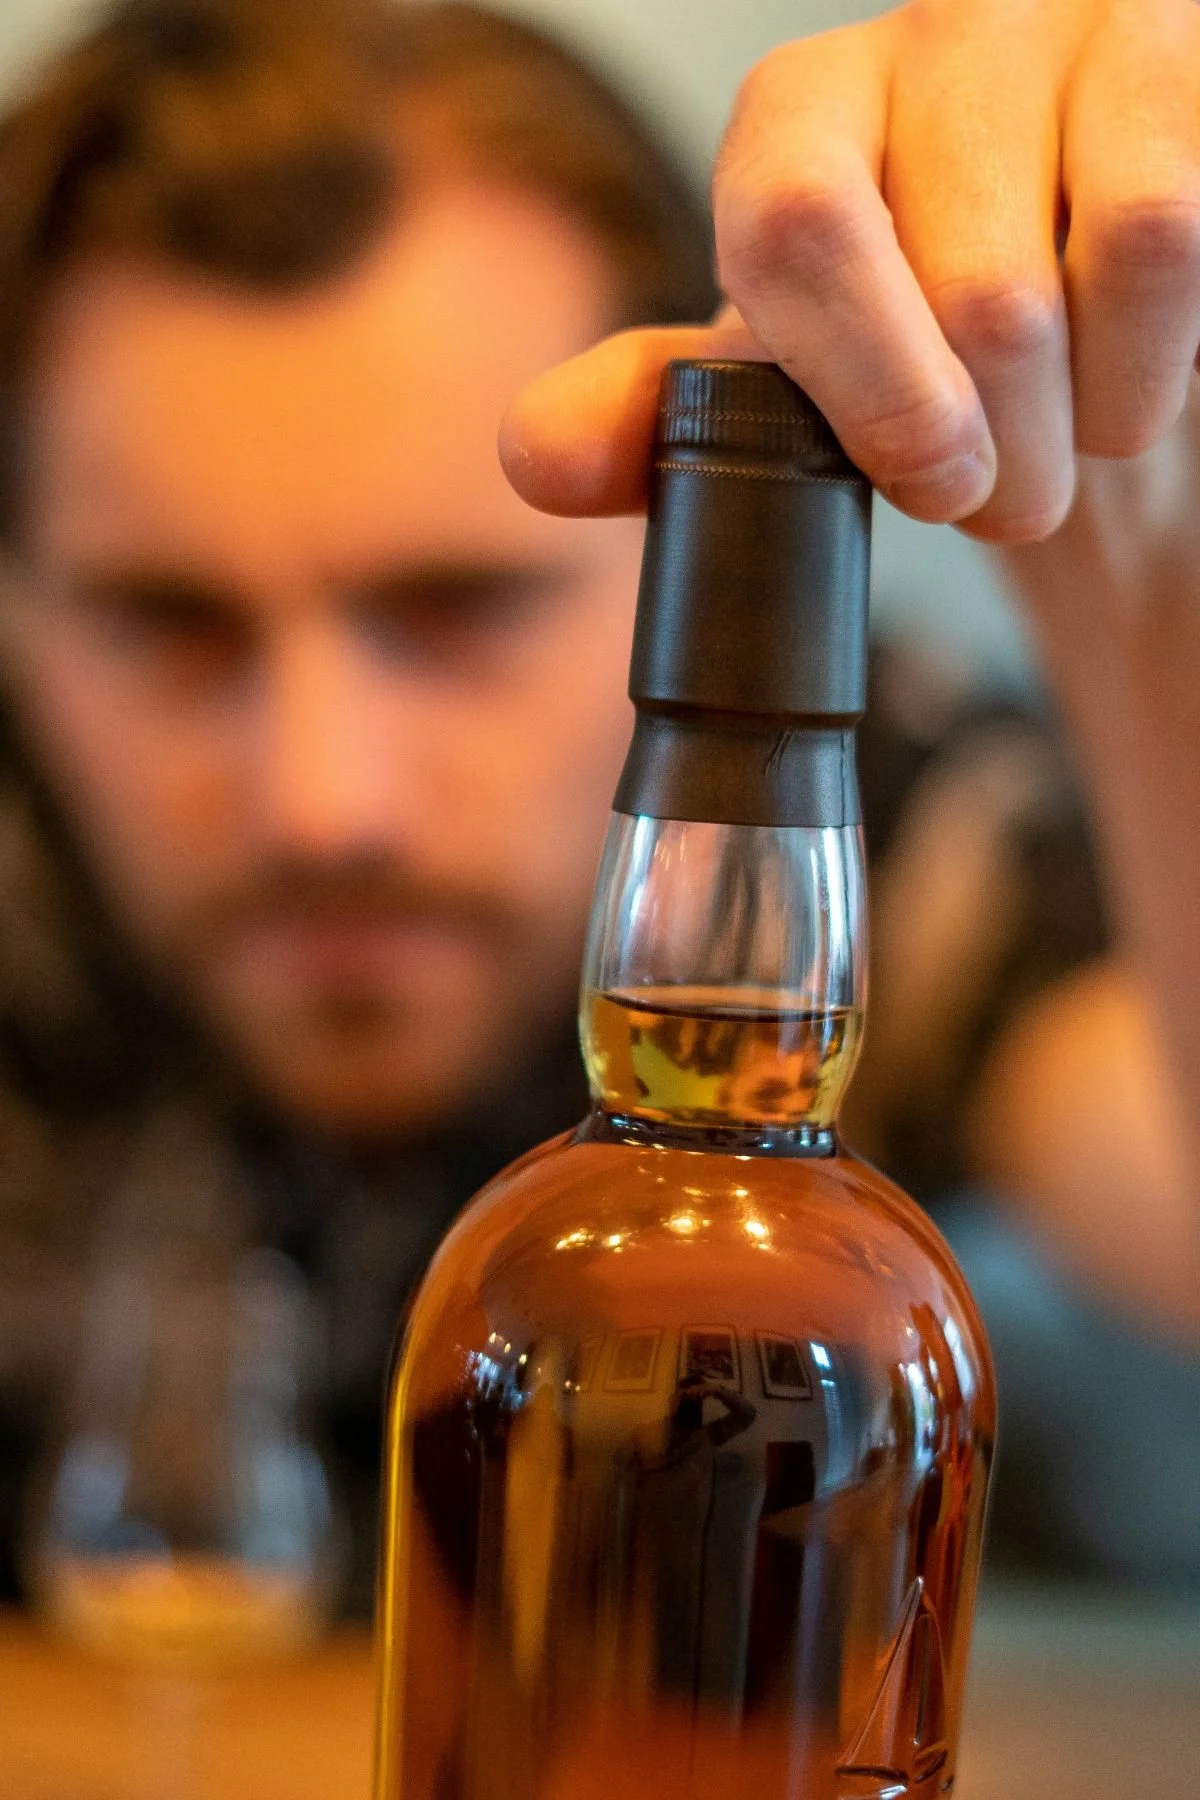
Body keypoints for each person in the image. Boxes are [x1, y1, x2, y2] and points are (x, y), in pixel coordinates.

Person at [0, 0, 1191, 1618]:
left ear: (675, 545)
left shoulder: (901, 839)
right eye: (165, 625)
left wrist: (1165, 642)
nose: (321, 800)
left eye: (459, 607)